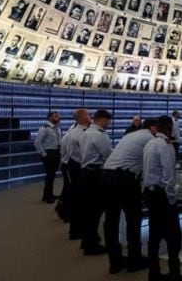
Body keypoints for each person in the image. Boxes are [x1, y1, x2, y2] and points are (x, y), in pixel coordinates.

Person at [101, 118, 156, 273]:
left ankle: (115, 261)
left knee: (111, 221)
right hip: (124, 180)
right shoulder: (150, 138)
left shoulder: (130, 135)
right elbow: (151, 163)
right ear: (153, 128)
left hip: (106, 176)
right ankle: (134, 259)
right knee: (134, 219)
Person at [143, 116, 182, 281]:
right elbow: (169, 177)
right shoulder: (166, 146)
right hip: (162, 196)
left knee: (154, 235)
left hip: (150, 193)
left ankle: (154, 272)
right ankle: (174, 273)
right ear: (170, 129)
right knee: (174, 237)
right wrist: (172, 200)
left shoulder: (150, 143)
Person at [77, 109, 113, 255]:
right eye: (109, 121)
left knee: (87, 210)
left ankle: (86, 240)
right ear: (103, 119)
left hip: (85, 173)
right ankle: (92, 244)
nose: (109, 124)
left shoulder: (85, 133)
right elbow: (108, 156)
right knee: (95, 210)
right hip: (95, 175)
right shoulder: (100, 136)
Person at [63, 109, 91, 238]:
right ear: (82, 118)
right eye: (88, 115)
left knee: (77, 200)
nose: (90, 117)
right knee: (82, 201)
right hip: (80, 168)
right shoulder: (82, 134)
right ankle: (79, 230)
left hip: (73, 166)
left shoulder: (72, 132)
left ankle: (75, 230)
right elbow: (84, 154)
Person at [34, 112, 62, 203]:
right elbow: (37, 142)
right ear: (50, 118)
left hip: (56, 152)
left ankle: (48, 194)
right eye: (56, 116)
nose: (59, 117)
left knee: (52, 175)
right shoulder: (44, 128)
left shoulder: (58, 129)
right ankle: (47, 196)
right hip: (48, 153)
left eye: (58, 116)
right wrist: (44, 154)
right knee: (50, 175)